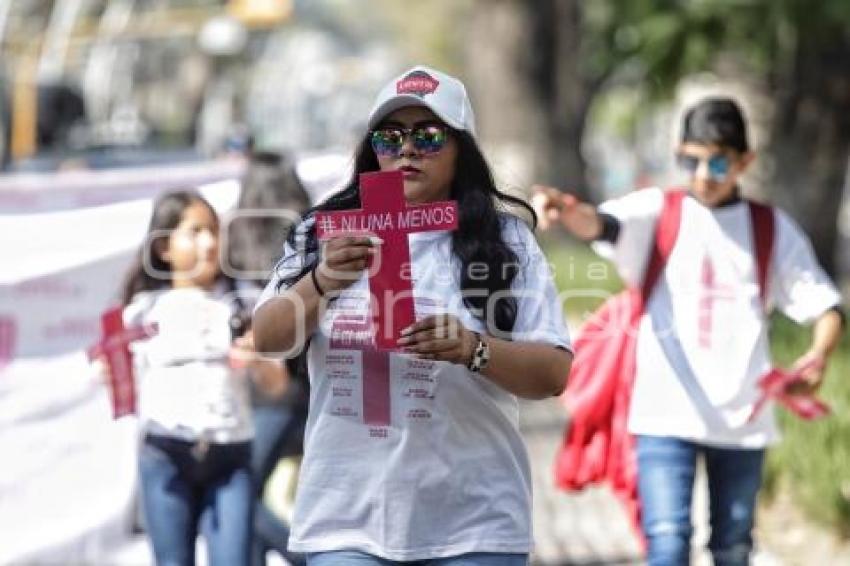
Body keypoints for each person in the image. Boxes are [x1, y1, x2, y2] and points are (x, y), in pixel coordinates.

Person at [252, 65, 573, 566]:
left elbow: (553, 374)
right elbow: (267, 338)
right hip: (345, 521)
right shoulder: (323, 233)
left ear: (460, 148)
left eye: (427, 136)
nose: (406, 150)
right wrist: (324, 281)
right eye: (389, 137)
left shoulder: (507, 242)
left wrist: (474, 349)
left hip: (473, 522)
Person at [533, 97, 844, 566]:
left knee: (733, 547)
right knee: (667, 542)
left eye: (718, 161)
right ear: (678, 153)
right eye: (690, 159)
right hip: (663, 413)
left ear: (745, 162)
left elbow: (824, 305)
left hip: (742, 420)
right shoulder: (660, 210)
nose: (703, 174)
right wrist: (568, 209)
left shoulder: (769, 228)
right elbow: (603, 225)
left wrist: (818, 356)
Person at [120, 190, 286, 566]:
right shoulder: (140, 313)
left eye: (213, 230)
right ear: (164, 247)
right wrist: (111, 371)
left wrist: (257, 360)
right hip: (165, 455)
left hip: (230, 459)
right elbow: (123, 388)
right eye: (194, 232)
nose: (209, 242)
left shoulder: (246, 302)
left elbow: (277, 385)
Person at [228, 150, 311, 566]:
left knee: (241, 494)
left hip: (261, 398)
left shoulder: (233, 243)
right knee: (252, 494)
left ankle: (316, 556)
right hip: (307, 389)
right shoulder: (309, 237)